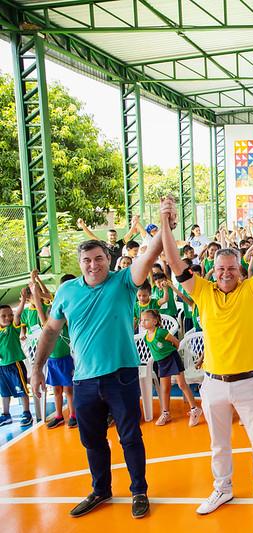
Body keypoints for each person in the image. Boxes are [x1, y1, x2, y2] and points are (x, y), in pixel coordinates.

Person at [30, 205, 168, 519]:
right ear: (80, 264)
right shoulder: (67, 291)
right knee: (92, 440)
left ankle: (139, 491)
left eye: (99, 259)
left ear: (108, 259)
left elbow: (149, 255)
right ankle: (101, 489)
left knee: (130, 436)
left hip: (121, 375)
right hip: (84, 380)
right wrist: (37, 367)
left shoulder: (123, 282)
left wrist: (162, 221)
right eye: (87, 260)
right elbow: (51, 330)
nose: (93, 265)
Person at [160, 196, 253, 521]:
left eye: (232, 268)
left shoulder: (250, 291)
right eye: (220, 269)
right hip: (213, 383)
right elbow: (175, 264)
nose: (226, 273)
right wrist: (164, 224)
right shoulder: (203, 291)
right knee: (218, 445)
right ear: (213, 272)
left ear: (241, 272)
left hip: (250, 382)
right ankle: (222, 487)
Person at [28, 274, 77, 429]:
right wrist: (35, 293)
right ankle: (58, 415)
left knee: (69, 390)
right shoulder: (47, 327)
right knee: (56, 389)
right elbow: (41, 311)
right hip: (53, 362)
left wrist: (38, 289)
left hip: (66, 360)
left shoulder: (66, 326)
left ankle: (73, 415)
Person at [139, 309, 202, 427]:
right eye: (142, 320)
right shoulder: (146, 338)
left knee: (182, 384)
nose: (143, 322)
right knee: (165, 388)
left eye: (146, 320)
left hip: (172, 359)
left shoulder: (161, 332)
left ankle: (195, 410)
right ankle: (166, 413)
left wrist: (172, 354)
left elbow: (176, 343)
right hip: (161, 363)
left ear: (154, 321)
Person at [0, 298, 33, 428]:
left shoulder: (13, 328)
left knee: (22, 390)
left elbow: (18, 314)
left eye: (10, 315)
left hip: (15, 365)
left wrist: (23, 300)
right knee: (4, 392)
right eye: (3, 316)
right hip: (2, 368)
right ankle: (6, 415)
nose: (7, 317)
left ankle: (26, 412)